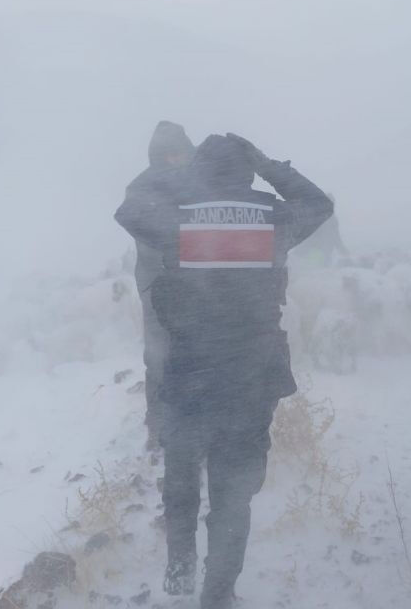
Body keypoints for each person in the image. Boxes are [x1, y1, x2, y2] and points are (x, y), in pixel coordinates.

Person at [115, 134, 333, 608]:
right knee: (233, 491)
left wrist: (180, 176)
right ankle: (217, 594)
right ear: (247, 171)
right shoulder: (274, 217)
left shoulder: (177, 215)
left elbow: (128, 210)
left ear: (199, 170)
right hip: (252, 377)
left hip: (189, 371)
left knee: (180, 469)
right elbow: (319, 203)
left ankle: (179, 564)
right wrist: (270, 165)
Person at [121, 120, 194, 449]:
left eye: (181, 154)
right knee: (159, 354)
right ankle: (158, 427)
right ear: (158, 155)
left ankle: (192, 423)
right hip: (156, 283)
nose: (177, 160)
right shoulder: (142, 187)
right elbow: (137, 225)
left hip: (195, 286)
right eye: (170, 154)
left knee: (194, 353)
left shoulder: (195, 184)